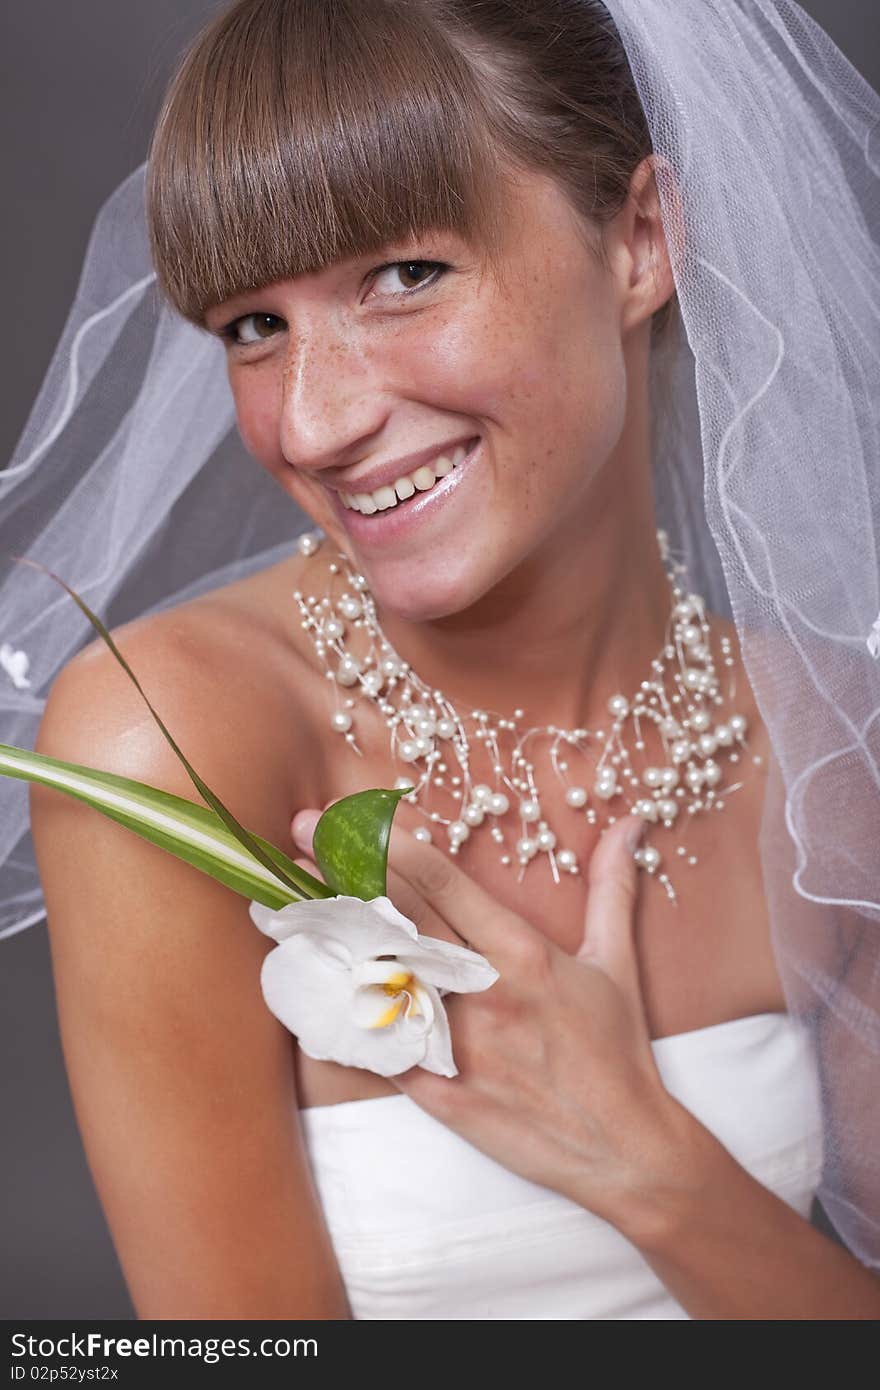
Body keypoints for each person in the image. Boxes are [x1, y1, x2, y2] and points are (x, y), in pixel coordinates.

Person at [5, 0, 880, 1318]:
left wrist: (651, 1167)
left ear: (639, 239)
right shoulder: (175, 732)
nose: (311, 421)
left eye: (402, 275)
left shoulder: (832, 729)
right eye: (252, 326)